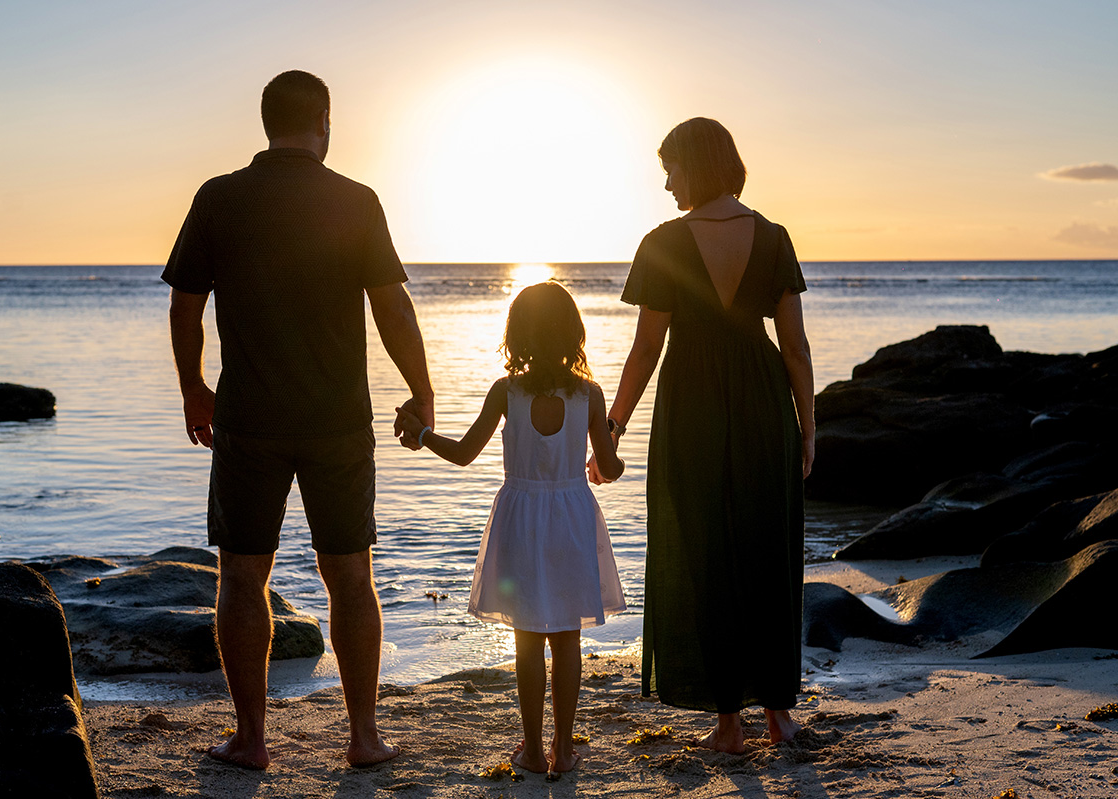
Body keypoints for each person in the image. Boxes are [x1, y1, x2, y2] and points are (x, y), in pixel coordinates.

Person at [163, 70, 434, 770]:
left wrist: (194, 387)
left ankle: (251, 739)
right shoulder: (354, 199)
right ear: (324, 119)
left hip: (249, 416)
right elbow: (392, 307)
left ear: (265, 122)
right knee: (351, 575)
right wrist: (423, 388)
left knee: (243, 575)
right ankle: (365, 736)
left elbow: (185, 306)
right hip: (337, 418)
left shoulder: (220, 198)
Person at [589, 117, 815, 754]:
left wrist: (612, 430)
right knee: (768, 555)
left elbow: (645, 349)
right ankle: (779, 715)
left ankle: (726, 725)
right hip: (763, 401)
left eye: (671, 168)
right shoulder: (773, 237)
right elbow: (794, 348)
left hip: (690, 404)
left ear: (697, 165)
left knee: (703, 553)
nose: (665, 183)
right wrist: (807, 428)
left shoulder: (663, 241)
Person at [394, 281, 626, 774]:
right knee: (567, 638)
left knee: (527, 640)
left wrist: (422, 433)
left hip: (521, 520)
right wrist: (606, 454)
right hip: (571, 519)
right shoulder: (590, 395)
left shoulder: (507, 392)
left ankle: (533, 750)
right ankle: (565, 751)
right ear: (572, 334)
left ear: (517, 335)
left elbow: (462, 454)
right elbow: (611, 467)